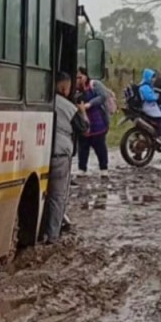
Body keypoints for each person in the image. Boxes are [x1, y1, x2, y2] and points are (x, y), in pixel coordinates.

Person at [42, 73, 79, 243]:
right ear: (64, 88)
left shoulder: (41, 100)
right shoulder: (69, 107)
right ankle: (53, 236)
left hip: (38, 155)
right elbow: (84, 128)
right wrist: (83, 112)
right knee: (56, 197)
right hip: (59, 156)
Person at [75, 67, 110, 175]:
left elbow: (103, 96)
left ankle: (103, 168)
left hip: (97, 121)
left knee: (100, 146)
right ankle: (82, 168)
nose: (79, 79)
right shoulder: (75, 89)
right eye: (77, 77)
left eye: (80, 77)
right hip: (82, 121)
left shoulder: (95, 84)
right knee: (82, 146)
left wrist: (90, 104)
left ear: (86, 76)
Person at [137, 68, 161, 134]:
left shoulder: (146, 86)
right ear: (148, 77)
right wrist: (156, 97)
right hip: (149, 107)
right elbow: (149, 97)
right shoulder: (145, 87)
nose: (153, 79)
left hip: (150, 106)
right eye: (152, 77)